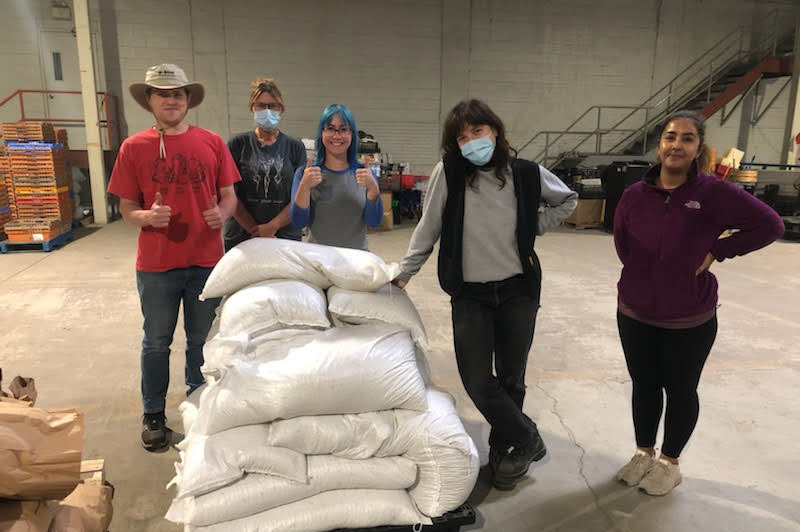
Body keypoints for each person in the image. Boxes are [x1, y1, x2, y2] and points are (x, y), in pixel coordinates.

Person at [393, 99, 577, 491]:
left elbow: (568, 199)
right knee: (477, 380)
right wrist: (404, 272)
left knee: (512, 378)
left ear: (495, 131)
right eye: (462, 137)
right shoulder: (451, 174)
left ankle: (506, 451)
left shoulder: (525, 173)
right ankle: (528, 438)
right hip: (470, 293)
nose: (471, 141)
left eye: (477, 131)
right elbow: (428, 228)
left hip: (518, 289)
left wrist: (534, 226)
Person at [613, 110, 785, 495]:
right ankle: (643, 452)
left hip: (688, 318)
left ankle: (669, 463)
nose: (677, 144)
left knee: (680, 390)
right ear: (659, 145)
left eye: (687, 138)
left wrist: (717, 251)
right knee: (643, 386)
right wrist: (645, 276)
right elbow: (622, 243)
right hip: (635, 312)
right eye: (670, 136)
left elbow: (771, 225)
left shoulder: (714, 194)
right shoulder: (633, 196)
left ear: (698, 148)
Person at [107, 64, 240, 451]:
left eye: (178, 93)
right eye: (163, 93)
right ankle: (153, 414)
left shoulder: (212, 142)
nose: (171, 100)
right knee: (156, 342)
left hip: (205, 262)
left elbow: (229, 195)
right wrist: (146, 217)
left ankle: (198, 408)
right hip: (157, 265)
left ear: (188, 101)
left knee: (201, 341)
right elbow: (127, 207)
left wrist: (224, 213)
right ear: (149, 100)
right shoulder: (134, 148)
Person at [224, 78, 307, 251]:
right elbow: (229, 194)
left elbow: (300, 196)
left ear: (281, 109)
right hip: (243, 237)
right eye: (261, 106)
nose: (267, 111)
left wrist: (272, 226)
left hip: (284, 236)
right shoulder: (237, 145)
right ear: (252, 109)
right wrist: (255, 230)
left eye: (273, 106)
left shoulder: (294, 147)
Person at [290, 104, 382, 250]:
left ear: (352, 135)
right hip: (318, 261)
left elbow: (374, 221)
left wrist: (373, 190)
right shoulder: (305, 174)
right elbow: (298, 222)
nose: (336, 136)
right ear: (321, 133)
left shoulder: (364, 175)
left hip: (355, 261)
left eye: (343, 129)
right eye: (330, 128)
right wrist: (304, 187)